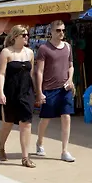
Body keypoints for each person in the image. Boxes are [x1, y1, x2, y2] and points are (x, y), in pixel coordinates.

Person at [0, 25, 36, 168]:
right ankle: (1, 148)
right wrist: (1, 92)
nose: (26, 37)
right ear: (15, 36)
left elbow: (31, 74)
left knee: (26, 123)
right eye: (24, 35)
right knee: (8, 123)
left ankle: (25, 157)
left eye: (27, 35)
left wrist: (36, 92)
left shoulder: (30, 53)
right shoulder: (6, 52)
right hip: (10, 91)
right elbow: (1, 74)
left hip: (26, 91)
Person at [34, 20, 76, 163]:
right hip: (49, 89)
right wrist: (39, 91)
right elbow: (39, 71)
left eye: (63, 30)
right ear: (51, 31)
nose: (61, 33)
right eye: (58, 30)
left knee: (66, 117)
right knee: (46, 119)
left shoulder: (68, 47)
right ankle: (39, 142)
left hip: (65, 88)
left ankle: (64, 150)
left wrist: (70, 79)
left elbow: (71, 66)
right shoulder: (44, 49)